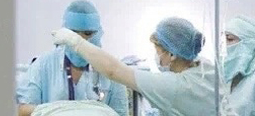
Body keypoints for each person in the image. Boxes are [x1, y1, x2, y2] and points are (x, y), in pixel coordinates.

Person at [52, 16, 231, 116]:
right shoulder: (206, 67)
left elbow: (113, 70)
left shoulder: (174, 86)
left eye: (157, 50)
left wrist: (75, 41)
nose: (156, 55)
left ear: (172, 54)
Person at [16, 0, 129, 116]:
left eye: (87, 33)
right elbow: (22, 110)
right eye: (73, 34)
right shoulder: (43, 65)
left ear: (99, 33)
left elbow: (121, 113)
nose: (79, 40)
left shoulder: (111, 69)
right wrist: (55, 111)